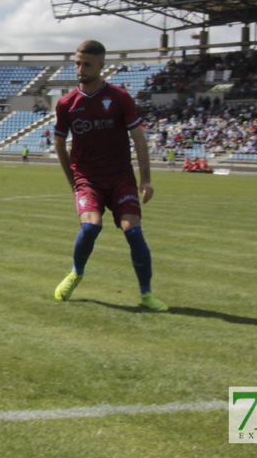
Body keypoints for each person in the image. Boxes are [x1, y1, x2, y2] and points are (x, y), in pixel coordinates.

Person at [52, 40, 167, 312]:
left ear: (101, 66)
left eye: (87, 64)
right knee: (90, 227)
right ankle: (76, 273)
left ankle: (146, 293)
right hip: (87, 179)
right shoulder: (67, 103)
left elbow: (139, 139)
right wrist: (74, 183)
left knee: (134, 232)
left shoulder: (118, 97)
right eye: (78, 63)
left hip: (120, 178)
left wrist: (146, 180)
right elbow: (59, 143)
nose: (80, 68)